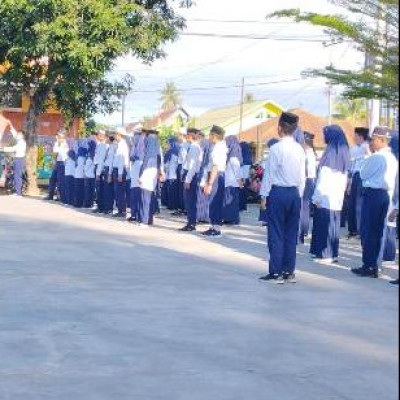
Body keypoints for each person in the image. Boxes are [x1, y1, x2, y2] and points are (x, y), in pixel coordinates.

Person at [259, 112, 306, 284]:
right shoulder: (300, 149)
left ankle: (275, 272)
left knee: (276, 233)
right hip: (294, 194)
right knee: (290, 234)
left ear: (280, 128)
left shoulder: (276, 148)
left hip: (278, 193)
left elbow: (269, 175)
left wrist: (264, 196)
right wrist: (298, 196)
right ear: (294, 130)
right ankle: (288, 271)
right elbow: (302, 177)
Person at [352, 127, 399, 278]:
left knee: (368, 231)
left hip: (373, 195)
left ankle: (369, 265)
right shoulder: (391, 157)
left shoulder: (377, 157)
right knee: (378, 232)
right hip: (384, 195)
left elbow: (363, 174)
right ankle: (374, 265)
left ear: (382, 140)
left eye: (373, 139)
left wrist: (366, 157)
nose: (371, 142)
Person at [310, 125, 350, 264]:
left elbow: (323, 179)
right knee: (333, 226)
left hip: (325, 197)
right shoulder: (344, 153)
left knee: (324, 226)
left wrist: (316, 197)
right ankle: (332, 253)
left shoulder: (330, 153)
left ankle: (325, 254)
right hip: (337, 198)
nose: (323, 137)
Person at [202, 125, 228, 238]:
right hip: (215, 175)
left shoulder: (218, 147)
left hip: (216, 175)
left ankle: (216, 229)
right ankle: (213, 226)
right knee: (212, 202)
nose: (209, 137)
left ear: (215, 135)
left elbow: (215, 166)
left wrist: (210, 183)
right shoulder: (218, 146)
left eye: (210, 135)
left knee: (215, 202)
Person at [347, 127, 371, 238]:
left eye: (355, 135)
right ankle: (352, 230)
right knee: (351, 204)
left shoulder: (366, 146)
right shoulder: (356, 147)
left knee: (358, 204)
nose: (354, 137)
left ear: (360, 136)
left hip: (362, 176)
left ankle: (359, 230)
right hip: (354, 176)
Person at [138, 131, 163, 226]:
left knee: (145, 197)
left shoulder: (148, 154)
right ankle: (149, 219)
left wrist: (140, 176)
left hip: (147, 173)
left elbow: (144, 165)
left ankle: (144, 220)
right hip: (154, 172)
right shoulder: (157, 151)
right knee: (151, 197)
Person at [180, 129, 203, 232]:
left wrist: (187, 180)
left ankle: (191, 224)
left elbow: (193, 166)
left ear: (190, 136)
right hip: (191, 174)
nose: (186, 137)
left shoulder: (194, 147)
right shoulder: (195, 146)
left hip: (191, 175)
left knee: (190, 201)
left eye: (187, 135)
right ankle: (191, 222)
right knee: (190, 201)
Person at [299, 131, 317, 243]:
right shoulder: (312, 152)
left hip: (306, 180)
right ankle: (304, 229)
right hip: (311, 180)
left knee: (303, 206)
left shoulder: (305, 152)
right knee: (306, 206)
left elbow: (305, 169)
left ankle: (303, 229)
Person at [0, 123, 26, 196]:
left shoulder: (21, 143)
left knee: (17, 176)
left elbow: (13, 148)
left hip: (19, 160)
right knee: (16, 175)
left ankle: (18, 193)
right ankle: (17, 191)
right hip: (17, 159)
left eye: (19, 134)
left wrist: (3, 148)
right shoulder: (20, 140)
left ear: (22, 136)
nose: (17, 135)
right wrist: (11, 126)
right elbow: (15, 135)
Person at [223, 132, 243, 225]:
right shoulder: (233, 155)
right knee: (230, 201)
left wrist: (240, 181)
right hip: (230, 182)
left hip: (232, 182)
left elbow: (237, 170)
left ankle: (232, 219)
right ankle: (229, 218)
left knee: (231, 202)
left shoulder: (233, 156)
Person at [259, 138, 280, 225]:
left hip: (271, 184)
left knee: (268, 201)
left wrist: (263, 193)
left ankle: (267, 219)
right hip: (278, 185)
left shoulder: (272, 156)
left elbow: (268, 175)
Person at [112, 127, 130, 218]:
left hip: (120, 170)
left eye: (115, 133)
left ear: (119, 135)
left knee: (120, 191)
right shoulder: (119, 144)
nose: (114, 135)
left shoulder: (122, 145)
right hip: (118, 170)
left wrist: (119, 173)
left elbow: (121, 160)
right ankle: (120, 209)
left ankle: (122, 211)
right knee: (118, 191)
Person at [129, 130, 146, 223]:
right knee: (134, 194)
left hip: (139, 170)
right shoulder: (134, 147)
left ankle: (138, 214)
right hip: (134, 171)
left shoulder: (143, 145)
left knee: (138, 194)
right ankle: (133, 214)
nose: (135, 138)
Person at [174, 128, 190, 216]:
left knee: (182, 190)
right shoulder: (184, 144)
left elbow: (183, 159)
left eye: (179, 134)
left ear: (183, 135)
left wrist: (182, 171)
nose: (177, 136)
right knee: (181, 190)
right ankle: (182, 208)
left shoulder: (185, 145)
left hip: (183, 168)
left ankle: (183, 209)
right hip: (182, 167)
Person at [197, 134, 212, 224]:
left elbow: (206, 169)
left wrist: (204, 181)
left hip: (204, 178)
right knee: (203, 199)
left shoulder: (207, 157)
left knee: (203, 198)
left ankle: (203, 216)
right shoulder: (205, 155)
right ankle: (203, 216)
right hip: (204, 177)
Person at [93, 130, 108, 213]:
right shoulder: (100, 144)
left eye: (98, 134)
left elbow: (101, 160)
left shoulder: (103, 145)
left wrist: (98, 173)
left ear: (102, 135)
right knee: (99, 189)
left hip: (100, 169)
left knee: (100, 189)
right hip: (98, 167)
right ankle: (100, 206)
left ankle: (101, 207)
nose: (97, 136)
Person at [52, 131, 69, 203]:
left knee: (62, 181)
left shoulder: (64, 144)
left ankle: (63, 198)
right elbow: (55, 152)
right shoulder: (59, 143)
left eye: (59, 136)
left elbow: (56, 152)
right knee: (59, 181)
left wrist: (57, 143)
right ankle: (60, 197)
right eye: (58, 136)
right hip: (59, 162)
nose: (58, 137)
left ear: (63, 137)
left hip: (62, 163)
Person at [103, 134, 117, 215]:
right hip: (107, 168)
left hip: (109, 169)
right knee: (106, 189)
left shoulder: (112, 148)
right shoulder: (110, 147)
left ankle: (109, 208)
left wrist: (109, 174)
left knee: (108, 190)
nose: (105, 139)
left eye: (106, 137)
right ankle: (107, 207)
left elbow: (111, 161)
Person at [239, 141, 253, 211]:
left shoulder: (242, 156)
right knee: (244, 192)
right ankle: (243, 206)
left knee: (240, 192)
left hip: (241, 177)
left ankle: (240, 206)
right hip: (246, 177)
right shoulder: (248, 155)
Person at [84, 141, 96, 209]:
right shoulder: (94, 153)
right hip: (92, 175)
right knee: (91, 190)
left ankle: (87, 203)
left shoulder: (90, 154)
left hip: (88, 175)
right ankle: (90, 203)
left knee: (88, 190)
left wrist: (85, 172)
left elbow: (87, 165)